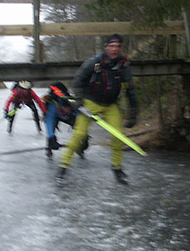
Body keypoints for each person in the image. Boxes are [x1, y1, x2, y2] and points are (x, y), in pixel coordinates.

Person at [57, 34, 138, 184]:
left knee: (117, 136)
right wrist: (79, 100)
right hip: (90, 102)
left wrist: (133, 112)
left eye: (117, 47)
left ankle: (117, 169)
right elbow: (78, 81)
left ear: (120, 48)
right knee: (79, 135)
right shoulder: (94, 63)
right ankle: (63, 166)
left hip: (111, 105)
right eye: (112, 46)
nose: (114, 49)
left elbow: (130, 91)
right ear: (106, 47)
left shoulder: (124, 66)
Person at [41, 81, 89, 157]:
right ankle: (49, 147)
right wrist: (52, 137)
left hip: (68, 116)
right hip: (56, 116)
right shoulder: (53, 106)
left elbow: (80, 119)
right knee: (51, 130)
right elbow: (49, 121)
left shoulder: (73, 105)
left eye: (69, 109)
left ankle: (79, 148)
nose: (67, 110)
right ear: (61, 107)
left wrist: (85, 136)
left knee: (77, 126)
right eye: (66, 109)